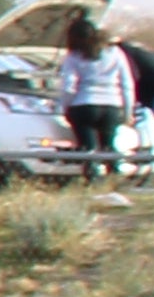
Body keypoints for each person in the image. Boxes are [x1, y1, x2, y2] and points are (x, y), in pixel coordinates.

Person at [57, 15, 136, 178]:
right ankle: (115, 178)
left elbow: (68, 86)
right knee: (109, 146)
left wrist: (65, 107)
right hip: (112, 105)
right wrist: (128, 112)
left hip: (84, 105)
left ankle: (92, 179)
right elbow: (127, 84)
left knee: (88, 148)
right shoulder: (115, 52)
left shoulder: (74, 56)